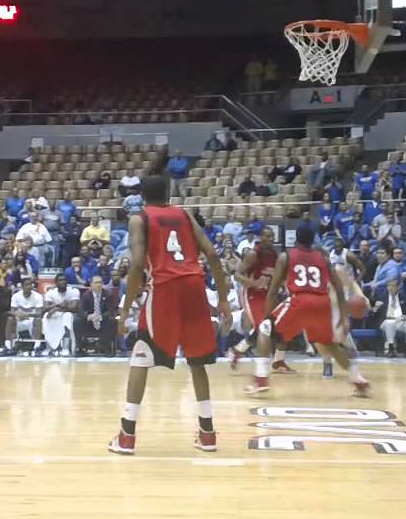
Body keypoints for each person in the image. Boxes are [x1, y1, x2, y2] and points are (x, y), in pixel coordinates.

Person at [109, 175, 231, 456]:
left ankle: (126, 436)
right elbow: (212, 254)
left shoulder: (139, 219)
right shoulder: (185, 215)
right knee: (197, 361)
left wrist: (127, 305)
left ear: (141, 197)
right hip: (194, 286)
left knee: (140, 356)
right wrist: (223, 299)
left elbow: (138, 263)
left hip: (165, 288)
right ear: (168, 193)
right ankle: (208, 434)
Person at [244, 225, 370, 398]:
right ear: (313, 240)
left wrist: (267, 315)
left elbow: (273, 291)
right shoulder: (323, 257)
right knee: (329, 345)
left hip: (300, 301)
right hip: (322, 304)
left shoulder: (286, 256)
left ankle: (260, 380)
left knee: (265, 328)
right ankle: (358, 379)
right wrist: (342, 316)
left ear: (295, 239)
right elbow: (339, 287)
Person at [227, 228, 292, 374]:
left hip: (267, 294)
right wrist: (254, 283)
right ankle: (236, 351)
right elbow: (237, 275)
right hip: (251, 294)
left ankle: (278, 361)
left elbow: (276, 275)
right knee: (263, 327)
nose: (270, 239)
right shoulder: (253, 254)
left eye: (272, 236)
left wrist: (283, 285)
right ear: (260, 237)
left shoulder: (274, 255)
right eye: (267, 236)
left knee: (278, 326)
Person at [76, 276, 117, 355]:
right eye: (96, 282)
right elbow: (80, 311)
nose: (99, 284)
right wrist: (89, 316)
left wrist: (100, 316)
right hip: (89, 323)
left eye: (100, 282)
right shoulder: (85, 295)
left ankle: (108, 348)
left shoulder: (108, 295)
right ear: (91, 284)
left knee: (112, 320)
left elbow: (111, 310)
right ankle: (80, 347)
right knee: (77, 320)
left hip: (103, 322)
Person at [41, 273, 80, 356]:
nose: (63, 282)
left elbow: (73, 308)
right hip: (56, 314)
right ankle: (49, 347)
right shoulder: (51, 292)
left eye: (65, 280)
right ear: (56, 283)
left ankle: (65, 348)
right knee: (46, 316)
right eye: (60, 280)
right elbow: (45, 308)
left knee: (67, 316)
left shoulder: (73, 291)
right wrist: (60, 305)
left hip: (70, 315)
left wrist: (55, 308)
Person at [379, 278, 406, 358]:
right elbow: (374, 312)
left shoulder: (404, 297)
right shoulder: (381, 297)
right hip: (386, 322)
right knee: (390, 322)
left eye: (393, 286)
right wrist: (376, 308)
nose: (390, 288)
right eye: (388, 286)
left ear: (398, 287)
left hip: (400, 321)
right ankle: (391, 349)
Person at [6, 278, 44, 350]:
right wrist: (17, 314)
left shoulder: (38, 296)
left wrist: (26, 315)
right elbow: (12, 311)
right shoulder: (16, 296)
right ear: (22, 286)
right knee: (10, 319)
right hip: (19, 320)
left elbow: (39, 313)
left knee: (38, 320)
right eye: (26, 285)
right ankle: (8, 345)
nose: (29, 286)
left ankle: (37, 346)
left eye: (30, 284)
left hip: (32, 321)